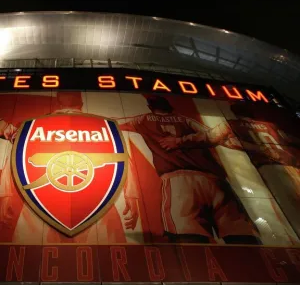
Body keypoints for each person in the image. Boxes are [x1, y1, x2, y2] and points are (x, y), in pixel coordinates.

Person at [117, 95, 261, 244]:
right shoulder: (186, 120)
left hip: (179, 181)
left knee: (188, 237)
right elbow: (215, 137)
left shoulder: (143, 120)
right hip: (215, 180)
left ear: (150, 107)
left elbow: (117, 124)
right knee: (242, 235)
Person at [0, 91, 139, 243]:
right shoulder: (102, 126)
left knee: (31, 252)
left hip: (39, 204)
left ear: (58, 103)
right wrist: (132, 196)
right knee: (105, 252)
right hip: (95, 203)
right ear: (81, 102)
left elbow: (15, 156)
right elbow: (122, 156)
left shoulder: (32, 126)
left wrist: (5, 196)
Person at [227, 102, 300, 237]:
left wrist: (258, 148)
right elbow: (288, 139)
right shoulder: (270, 125)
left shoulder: (233, 124)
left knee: (290, 209)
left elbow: (233, 142)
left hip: (269, 167)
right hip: (291, 166)